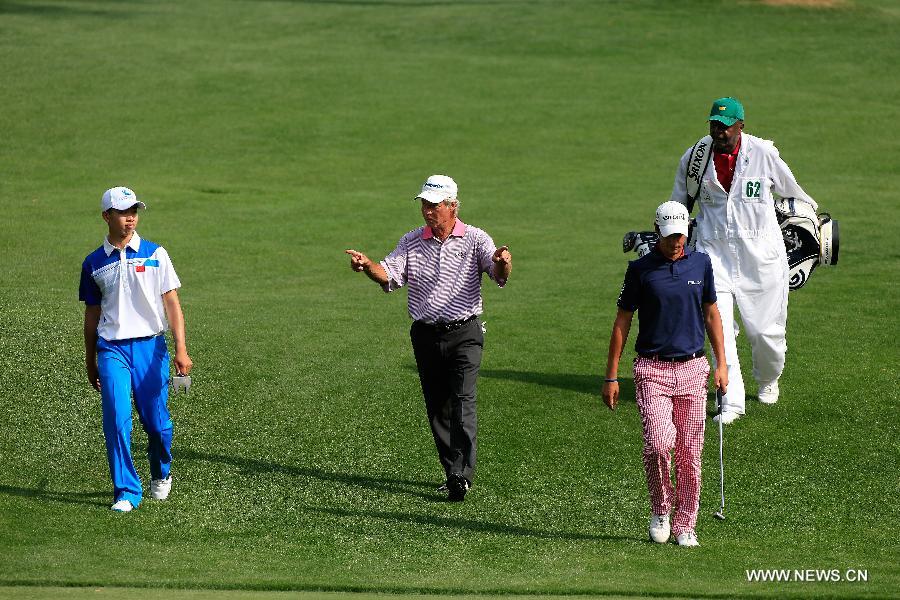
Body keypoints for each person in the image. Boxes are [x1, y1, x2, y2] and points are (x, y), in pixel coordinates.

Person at [345, 174, 511, 502]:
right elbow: (389, 274)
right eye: (424, 204)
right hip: (424, 335)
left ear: (452, 206)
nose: (427, 211)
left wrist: (503, 263)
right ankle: (453, 473)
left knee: (463, 400)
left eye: (434, 205)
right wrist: (366, 266)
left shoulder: (476, 239)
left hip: (465, 332)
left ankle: (463, 475)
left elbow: (498, 276)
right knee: (438, 407)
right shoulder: (411, 241)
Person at [669, 97, 818, 424]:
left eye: (725, 126)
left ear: (741, 126)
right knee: (717, 328)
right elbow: (679, 205)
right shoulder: (695, 158)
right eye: (714, 125)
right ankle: (730, 402)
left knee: (766, 334)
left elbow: (796, 195)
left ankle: (768, 378)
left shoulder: (764, 154)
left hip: (761, 256)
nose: (718, 132)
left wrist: (813, 229)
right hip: (713, 254)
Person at [602, 201, 727, 547]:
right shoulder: (640, 270)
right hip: (652, 369)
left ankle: (686, 524)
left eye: (682, 235)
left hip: (693, 368)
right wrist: (611, 376)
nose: (677, 242)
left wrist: (722, 364)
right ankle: (661, 508)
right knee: (659, 445)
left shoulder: (701, 263)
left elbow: (712, 314)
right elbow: (622, 322)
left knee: (689, 452)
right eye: (671, 236)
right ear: (657, 231)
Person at [80, 186, 193, 512]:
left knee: (155, 423)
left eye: (134, 212)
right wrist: (90, 359)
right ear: (107, 216)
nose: (131, 219)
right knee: (116, 419)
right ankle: (127, 491)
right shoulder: (93, 263)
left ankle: (162, 471)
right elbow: (92, 316)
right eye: (123, 213)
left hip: (151, 347)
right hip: (111, 348)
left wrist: (180, 349)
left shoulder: (156, 253)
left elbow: (172, 304)